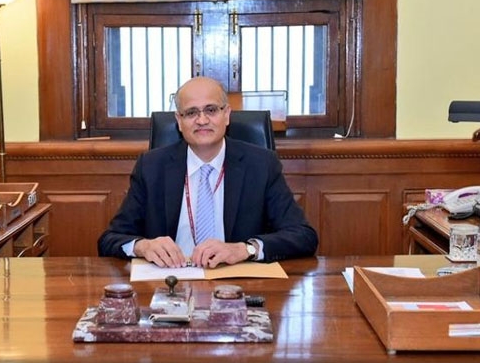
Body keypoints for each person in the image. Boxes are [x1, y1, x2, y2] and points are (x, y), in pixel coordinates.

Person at [97, 76, 318, 268]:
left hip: (238, 286)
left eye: (211, 110)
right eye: (191, 112)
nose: (202, 120)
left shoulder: (261, 165)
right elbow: (110, 239)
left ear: (227, 114)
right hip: (171, 283)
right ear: (179, 121)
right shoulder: (152, 167)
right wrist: (143, 246)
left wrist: (246, 249)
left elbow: (303, 236)